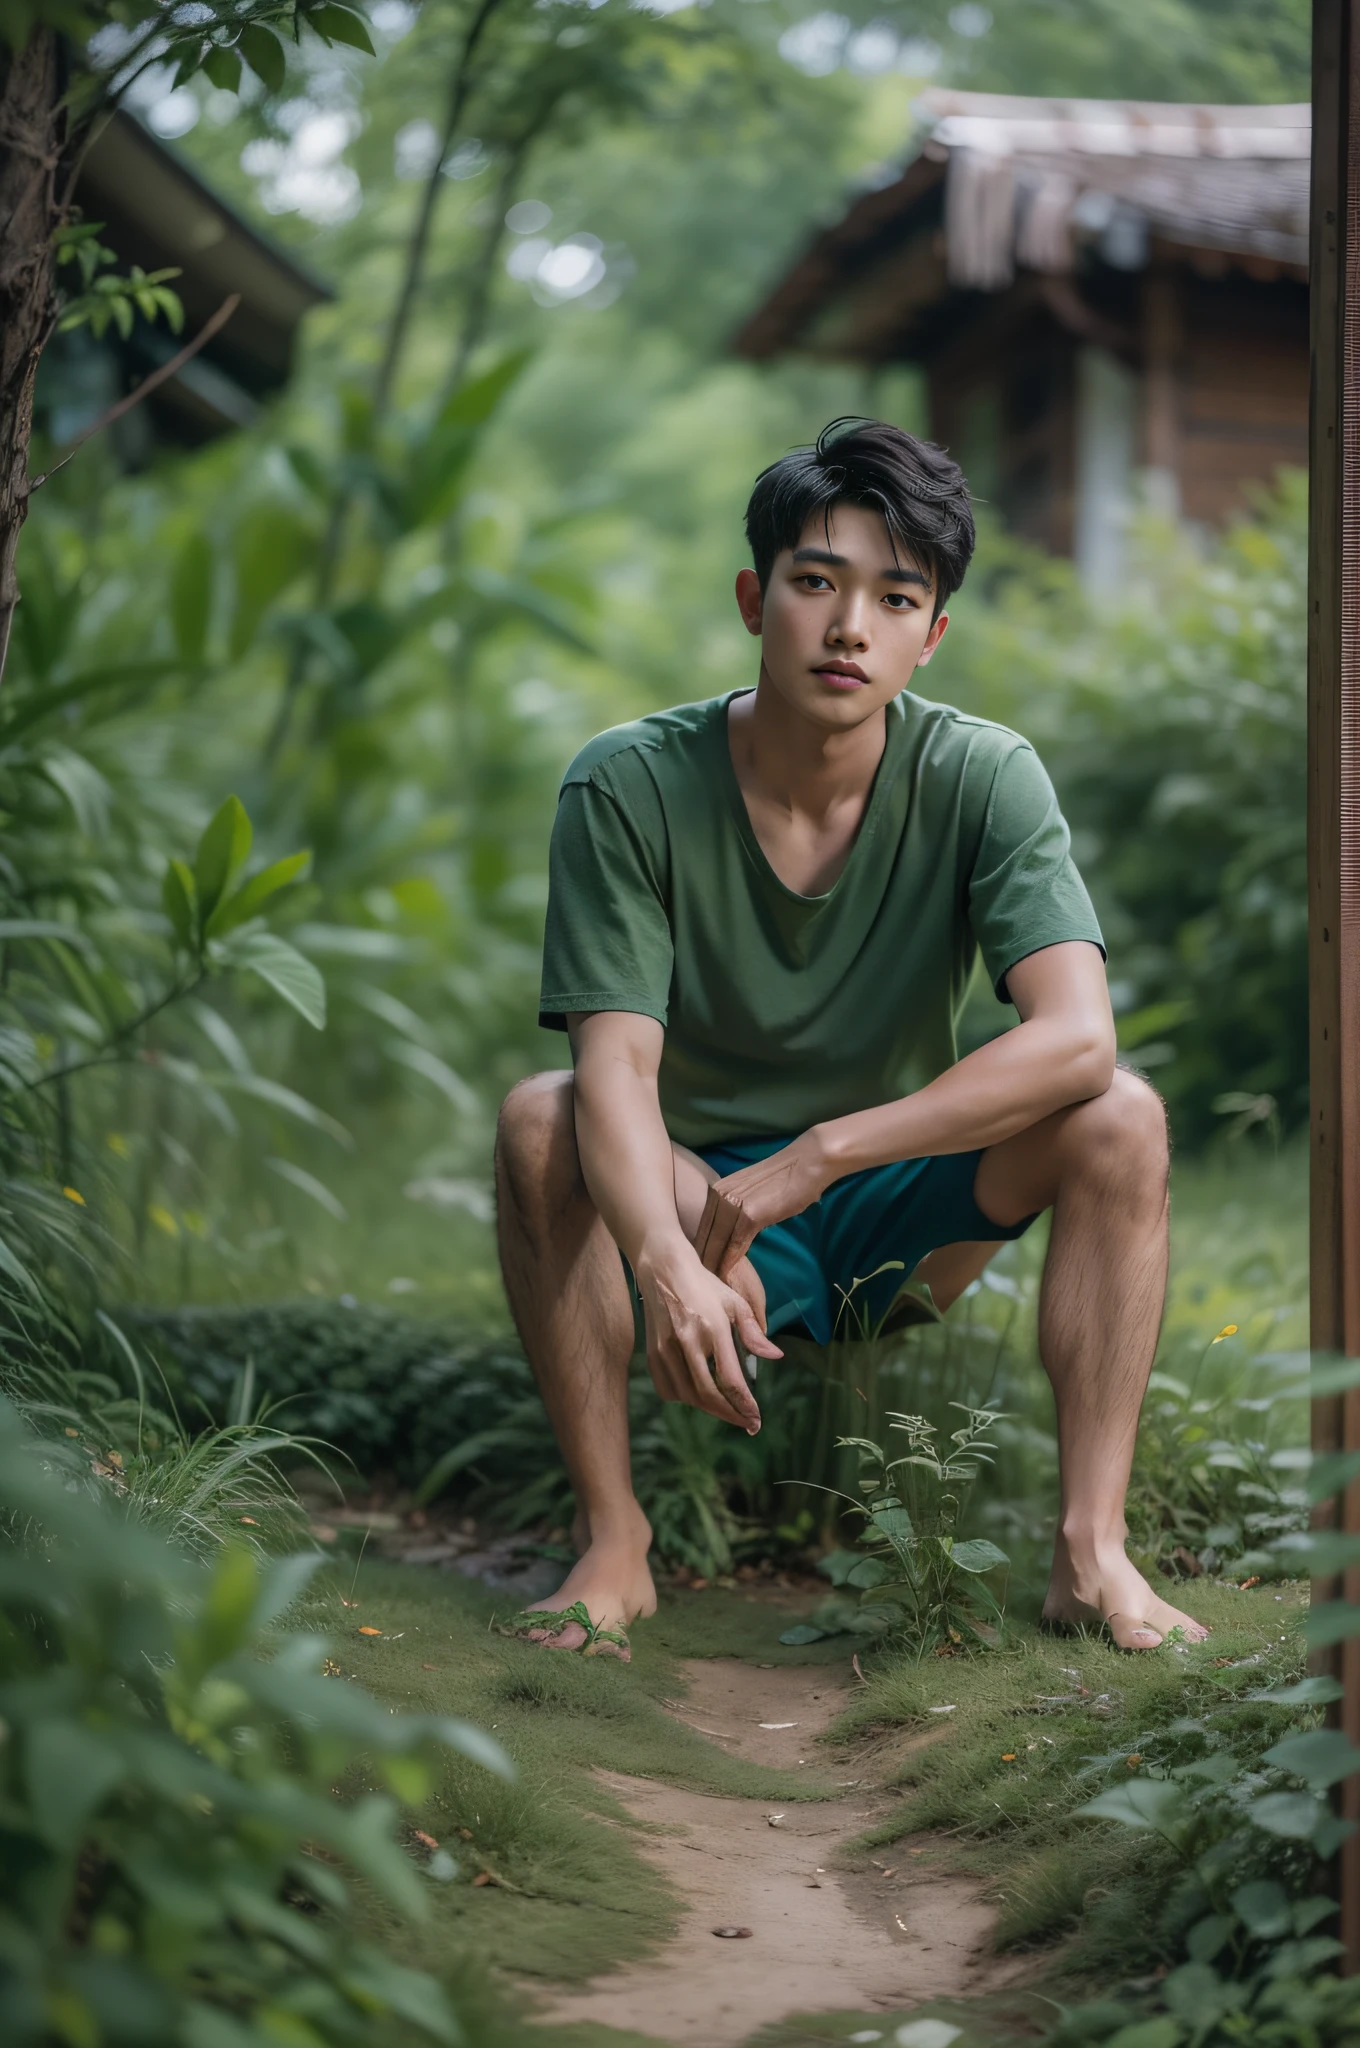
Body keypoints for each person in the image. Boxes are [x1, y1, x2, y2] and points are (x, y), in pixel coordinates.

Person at [494, 417, 1206, 1662]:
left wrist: (822, 1152)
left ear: (931, 635)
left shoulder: (986, 776)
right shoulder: (626, 784)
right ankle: (614, 1540)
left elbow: (1078, 1040)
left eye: (894, 596)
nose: (848, 627)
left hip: (899, 1205)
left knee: (1123, 1115)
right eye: (815, 581)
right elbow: (614, 1068)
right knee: (538, 1114)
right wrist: (665, 1255)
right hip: (698, 1199)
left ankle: (1090, 1551)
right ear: (750, 596)